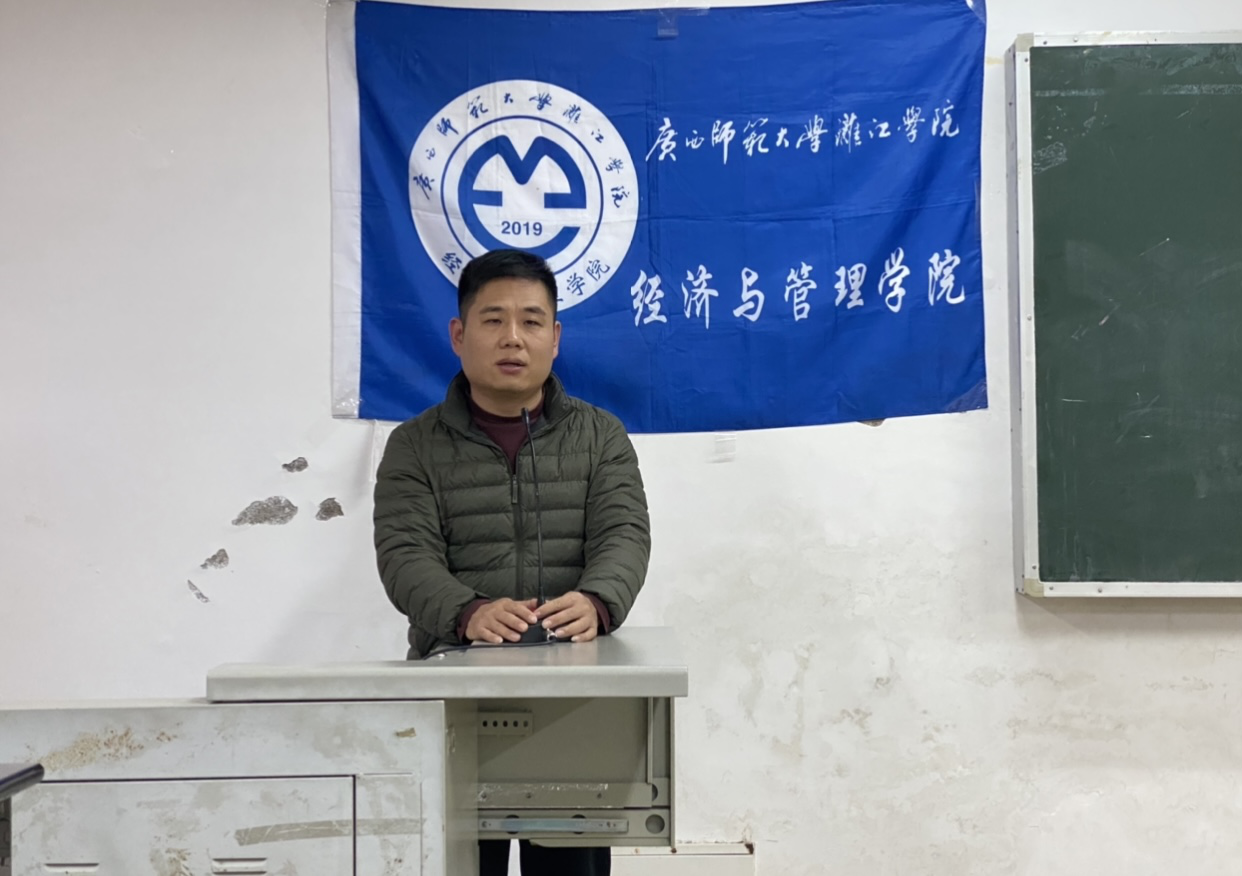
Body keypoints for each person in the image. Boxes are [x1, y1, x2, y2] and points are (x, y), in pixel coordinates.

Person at [373, 248, 651, 876]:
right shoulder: (413, 447)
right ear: (459, 334)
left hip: (574, 699)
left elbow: (625, 534)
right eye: (493, 319)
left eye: (531, 321)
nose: (513, 338)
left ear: (555, 338)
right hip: (454, 700)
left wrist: (598, 601)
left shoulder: (600, 436)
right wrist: (466, 612)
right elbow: (404, 554)